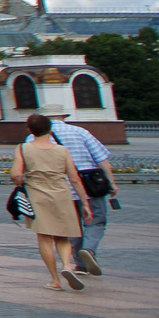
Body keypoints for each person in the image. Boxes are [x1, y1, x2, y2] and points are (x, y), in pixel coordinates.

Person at [9, 114, 92, 293]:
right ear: (50, 129)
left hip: (37, 195)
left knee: (44, 238)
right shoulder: (62, 150)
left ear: (30, 130)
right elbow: (74, 179)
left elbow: (16, 174)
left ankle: (55, 280)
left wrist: (20, 182)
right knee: (62, 235)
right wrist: (85, 203)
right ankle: (67, 266)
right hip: (62, 195)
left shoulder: (23, 148)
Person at [50, 116, 117, 274]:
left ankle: (80, 264)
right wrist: (111, 183)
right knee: (96, 220)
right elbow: (102, 159)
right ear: (63, 116)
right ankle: (89, 249)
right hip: (89, 186)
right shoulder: (80, 132)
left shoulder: (36, 136)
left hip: (60, 188)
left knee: (73, 227)